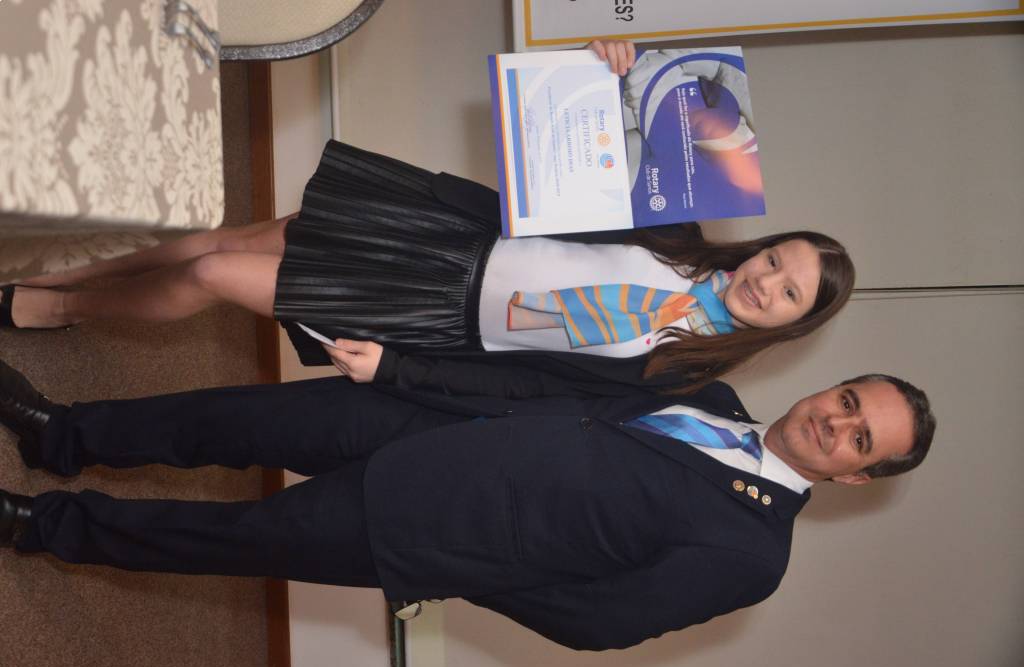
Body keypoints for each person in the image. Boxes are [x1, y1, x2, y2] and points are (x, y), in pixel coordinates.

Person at [0, 41, 854, 392]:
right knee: (225, 241)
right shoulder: (679, 229)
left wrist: (404, 374)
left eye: (788, 294)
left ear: (791, 324)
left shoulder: (680, 375)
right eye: (778, 261)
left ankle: (67, 306)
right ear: (765, 245)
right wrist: (610, 68)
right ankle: (65, 276)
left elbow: (532, 393)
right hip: (443, 235)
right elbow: (590, 142)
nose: (766, 282)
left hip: (434, 317)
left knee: (214, 275)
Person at [0, 350, 935, 651]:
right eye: (850, 401)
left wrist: (465, 566)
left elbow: (600, 623)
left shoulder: (752, 555)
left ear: (856, 478)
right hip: (419, 421)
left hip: (422, 528)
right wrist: (410, 375)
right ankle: (62, 432)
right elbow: (559, 391)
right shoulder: (716, 395)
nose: (836, 423)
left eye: (860, 441)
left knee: (221, 537)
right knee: (229, 419)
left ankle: (43, 527)